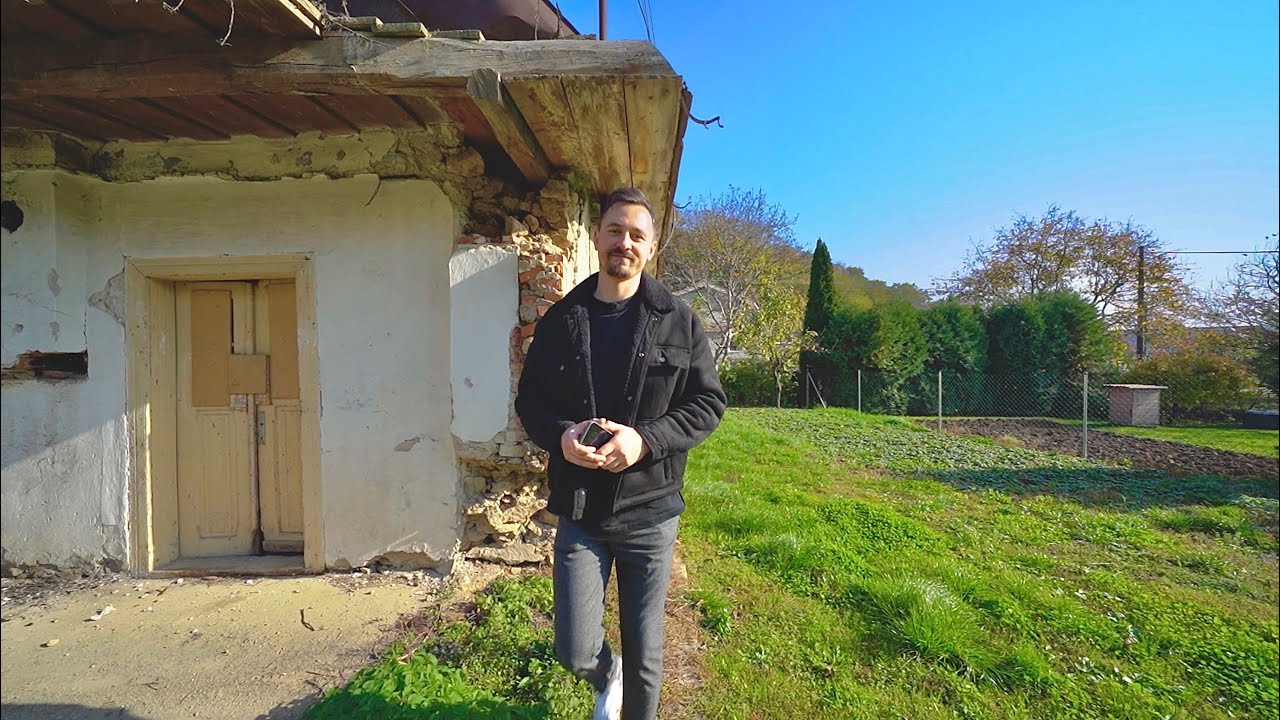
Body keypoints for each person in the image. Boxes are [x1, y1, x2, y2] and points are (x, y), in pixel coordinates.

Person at [515, 187, 726, 720]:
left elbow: (707, 404)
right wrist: (562, 436)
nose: (624, 243)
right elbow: (531, 400)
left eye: (637, 235)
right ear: (597, 237)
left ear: (651, 247)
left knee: (646, 655)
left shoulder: (680, 321)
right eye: (615, 230)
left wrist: (644, 439)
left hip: (650, 511)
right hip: (582, 510)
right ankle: (605, 674)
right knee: (574, 649)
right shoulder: (562, 319)